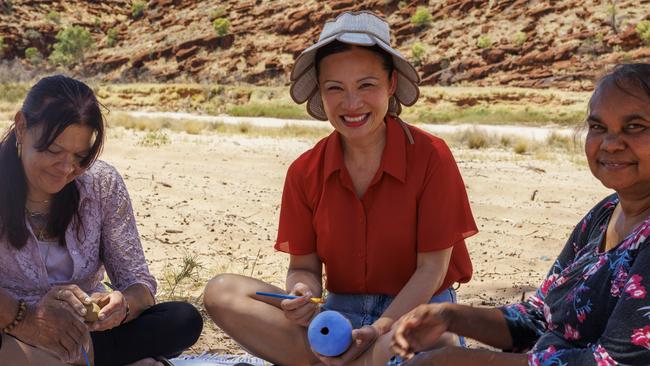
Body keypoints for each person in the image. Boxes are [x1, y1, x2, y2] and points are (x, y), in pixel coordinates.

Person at [204, 11, 477, 366]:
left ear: (391, 84)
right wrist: (303, 294)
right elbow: (303, 267)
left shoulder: (431, 156)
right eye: (335, 88)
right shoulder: (305, 170)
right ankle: (350, 359)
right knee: (222, 292)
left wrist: (379, 329)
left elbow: (432, 271)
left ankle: (353, 360)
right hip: (336, 320)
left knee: (435, 336)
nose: (351, 104)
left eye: (367, 85)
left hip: (413, 315)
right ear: (320, 91)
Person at [391, 63, 650, 365]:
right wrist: (449, 316)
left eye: (635, 127)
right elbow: (541, 315)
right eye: (598, 127)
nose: (610, 144)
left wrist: (465, 361)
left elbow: (612, 363)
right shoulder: (605, 214)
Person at [0, 75, 203, 366]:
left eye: (81, 156)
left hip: (86, 334)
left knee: (182, 319)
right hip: (12, 327)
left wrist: (123, 305)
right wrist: (30, 320)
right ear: (21, 127)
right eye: (54, 151)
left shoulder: (101, 184)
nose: (67, 168)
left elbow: (138, 282)